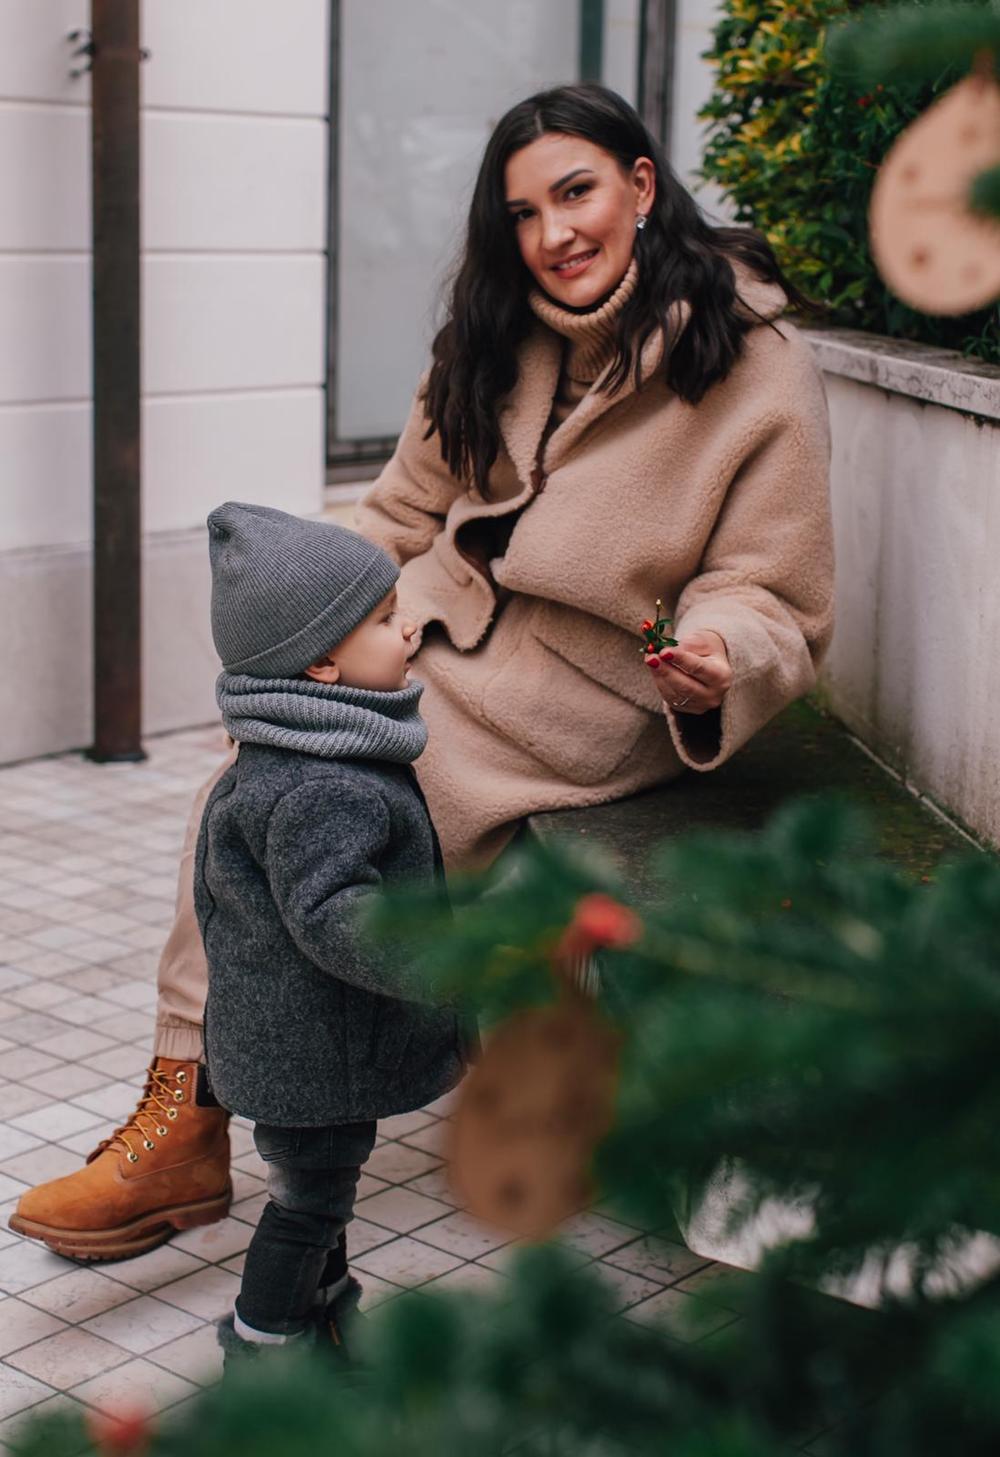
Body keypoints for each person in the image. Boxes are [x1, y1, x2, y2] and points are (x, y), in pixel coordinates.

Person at [10, 83, 834, 1261]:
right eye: (521, 211)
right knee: (246, 791)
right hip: (425, 643)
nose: (553, 232)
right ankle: (185, 1112)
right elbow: (399, 512)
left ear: (640, 186)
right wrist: (307, 650)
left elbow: (773, 587)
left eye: (576, 191)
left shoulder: (755, 369)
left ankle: (221, 1107)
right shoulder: (493, 336)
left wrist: (721, 655)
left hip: (583, 698)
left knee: (297, 806)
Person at [201, 502, 467, 1355]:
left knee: (323, 1190)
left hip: (299, 1046)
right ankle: (266, 1341)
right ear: (322, 663)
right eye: (385, 621)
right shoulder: (324, 783)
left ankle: (324, 1306)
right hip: (316, 1053)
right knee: (307, 1201)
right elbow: (334, 916)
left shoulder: (297, 752)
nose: (409, 630)